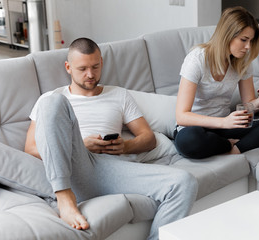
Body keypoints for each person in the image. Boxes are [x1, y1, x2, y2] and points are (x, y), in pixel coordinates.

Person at [24, 37, 198, 240]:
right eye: (82, 69)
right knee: (52, 101)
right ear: (68, 67)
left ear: (102, 63)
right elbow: (31, 149)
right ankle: (64, 197)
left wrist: (125, 146)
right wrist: (80, 146)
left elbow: (148, 139)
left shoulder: (119, 95)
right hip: (70, 167)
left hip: (111, 169)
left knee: (184, 182)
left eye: (95, 67)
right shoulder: (52, 99)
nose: (90, 75)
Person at [174, 6, 259, 159]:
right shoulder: (197, 59)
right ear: (227, 35)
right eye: (243, 40)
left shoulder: (242, 62)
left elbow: (248, 107)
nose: (248, 47)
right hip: (196, 129)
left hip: (227, 127)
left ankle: (237, 148)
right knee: (189, 141)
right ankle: (227, 144)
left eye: (251, 41)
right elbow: (181, 116)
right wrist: (224, 122)